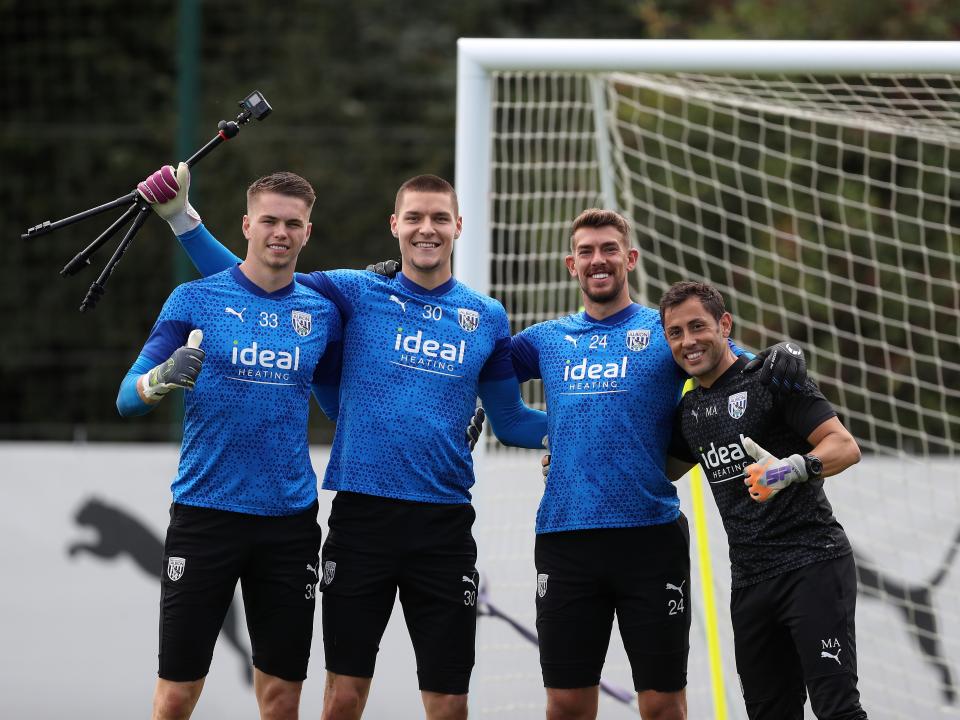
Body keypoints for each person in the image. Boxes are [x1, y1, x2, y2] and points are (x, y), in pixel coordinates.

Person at [142, 163, 548, 720]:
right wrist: (184, 222)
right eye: (413, 218)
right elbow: (255, 279)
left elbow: (514, 422)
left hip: (445, 525)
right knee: (343, 698)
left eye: (438, 218)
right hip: (361, 522)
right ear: (394, 225)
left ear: (458, 226)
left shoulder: (487, 315)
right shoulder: (353, 293)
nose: (425, 228)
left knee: (451, 703)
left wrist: (588, 429)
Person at [378, 209, 806, 720]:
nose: (597, 260)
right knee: (565, 704)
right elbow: (469, 360)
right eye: (586, 251)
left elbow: (735, 365)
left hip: (650, 538)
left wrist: (782, 353)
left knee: (664, 704)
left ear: (629, 258)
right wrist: (405, 295)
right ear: (570, 264)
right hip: (566, 542)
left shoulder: (666, 331)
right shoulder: (545, 340)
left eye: (608, 249)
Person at [117, 168, 343, 720]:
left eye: (293, 223)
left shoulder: (321, 315)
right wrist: (161, 377)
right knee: (176, 695)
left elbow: (345, 412)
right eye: (269, 220)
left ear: (308, 232)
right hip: (205, 516)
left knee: (281, 696)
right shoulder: (194, 299)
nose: (280, 233)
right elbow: (127, 397)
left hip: (288, 524)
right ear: (246, 224)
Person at [659, 280, 868, 720]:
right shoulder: (689, 413)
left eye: (698, 326)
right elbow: (655, 475)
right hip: (750, 582)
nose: (688, 341)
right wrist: (567, 465)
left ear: (725, 324)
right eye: (675, 333)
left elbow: (844, 446)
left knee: (838, 711)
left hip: (811, 564)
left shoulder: (773, 378)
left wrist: (790, 469)